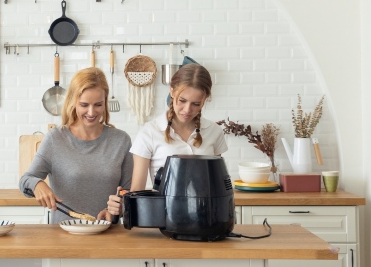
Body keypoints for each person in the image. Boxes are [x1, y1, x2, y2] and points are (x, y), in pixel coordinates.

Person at [106, 63, 227, 215]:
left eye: (196, 104)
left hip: (207, 218)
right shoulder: (149, 132)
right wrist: (122, 206)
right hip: (164, 219)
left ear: (205, 99)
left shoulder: (214, 132)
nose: (187, 110)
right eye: (182, 100)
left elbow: (217, 184)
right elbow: (137, 191)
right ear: (172, 91)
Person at [19, 67, 134, 224]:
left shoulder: (121, 140)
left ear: (105, 102)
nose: (91, 112)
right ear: (73, 102)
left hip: (108, 233)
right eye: (84, 105)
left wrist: (117, 209)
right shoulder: (55, 139)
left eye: (98, 105)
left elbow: (129, 195)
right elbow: (25, 180)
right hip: (64, 234)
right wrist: (37, 184)